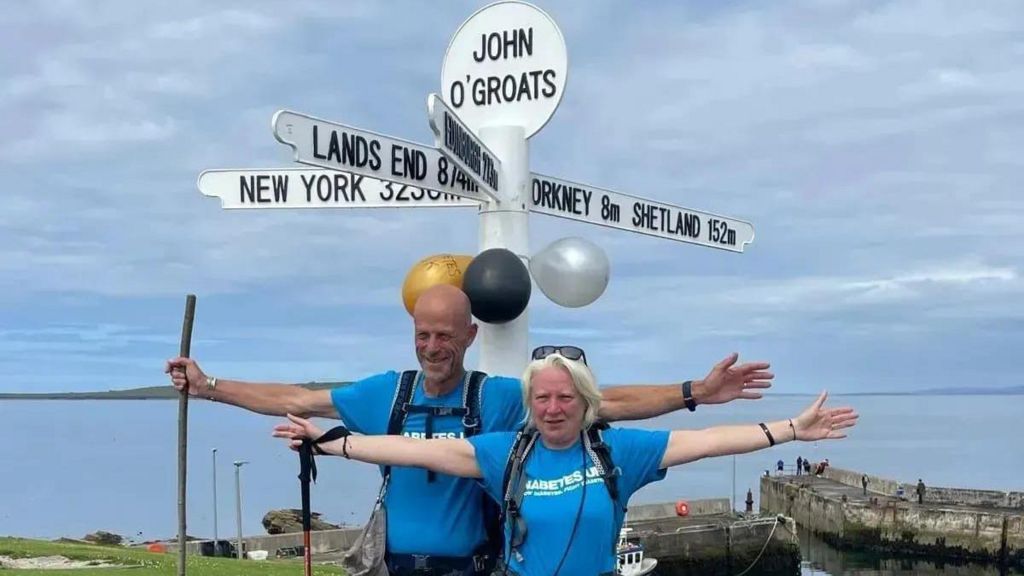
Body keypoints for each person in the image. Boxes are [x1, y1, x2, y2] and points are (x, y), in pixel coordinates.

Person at [165, 285, 775, 575]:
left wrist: (694, 393)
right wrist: (211, 385)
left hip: (478, 569)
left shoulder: (502, 398)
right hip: (398, 566)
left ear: (469, 337)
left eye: (445, 335)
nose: (433, 347)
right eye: (423, 335)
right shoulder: (385, 393)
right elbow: (296, 398)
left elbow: (601, 403)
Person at [274, 348, 857, 576]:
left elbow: (708, 441)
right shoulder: (506, 453)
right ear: (529, 404)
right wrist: (329, 441)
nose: (553, 408)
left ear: (586, 403)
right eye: (542, 398)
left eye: (565, 397)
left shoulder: (618, 452)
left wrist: (789, 430)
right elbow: (413, 449)